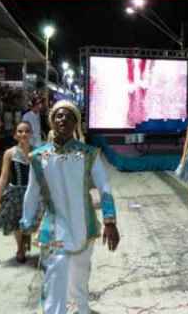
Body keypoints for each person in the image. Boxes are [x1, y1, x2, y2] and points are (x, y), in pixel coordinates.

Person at [20, 100, 120, 314]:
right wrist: (26, 224)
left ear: (76, 123)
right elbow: (32, 192)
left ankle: (81, 309)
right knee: (55, 279)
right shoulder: (39, 156)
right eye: (59, 115)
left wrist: (110, 221)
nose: (63, 119)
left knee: (79, 278)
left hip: (84, 227)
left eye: (69, 116)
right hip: (54, 229)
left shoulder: (89, 154)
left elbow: (104, 187)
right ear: (51, 121)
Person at [0, 121, 33, 263]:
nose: (23, 134)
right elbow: (3, 177)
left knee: (32, 220)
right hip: (16, 193)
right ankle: (20, 247)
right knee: (17, 222)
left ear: (31, 134)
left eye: (26, 131)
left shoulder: (37, 152)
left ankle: (27, 238)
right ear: (15, 135)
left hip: (32, 193)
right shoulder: (9, 153)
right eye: (20, 131)